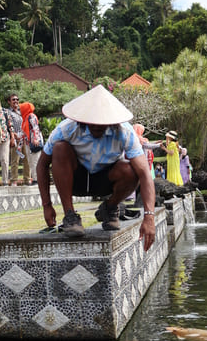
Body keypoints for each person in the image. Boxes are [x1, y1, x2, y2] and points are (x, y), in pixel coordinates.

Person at [36, 84, 156, 249]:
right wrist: (47, 206)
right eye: (92, 122)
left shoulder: (125, 133)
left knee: (131, 170)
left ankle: (110, 207)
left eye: (102, 123)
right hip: (75, 179)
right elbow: (42, 164)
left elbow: (145, 174)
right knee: (60, 148)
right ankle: (70, 215)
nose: (97, 127)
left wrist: (149, 217)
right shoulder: (66, 129)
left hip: (105, 181)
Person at [7, 93, 30, 186]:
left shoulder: (22, 111)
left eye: (17, 99)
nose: (16, 101)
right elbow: (8, 125)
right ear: (9, 102)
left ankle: (27, 179)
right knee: (15, 161)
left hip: (24, 139)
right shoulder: (8, 112)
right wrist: (13, 135)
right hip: (16, 139)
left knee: (27, 160)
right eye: (13, 100)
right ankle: (14, 180)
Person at [19, 101, 43, 184]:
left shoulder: (31, 116)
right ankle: (35, 179)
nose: (20, 110)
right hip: (28, 143)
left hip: (34, 142)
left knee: (35, 161)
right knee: (31, 161)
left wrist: (36, 139)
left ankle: (37, 180)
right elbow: (24, 132)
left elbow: (35, 128)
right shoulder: (25, 118)